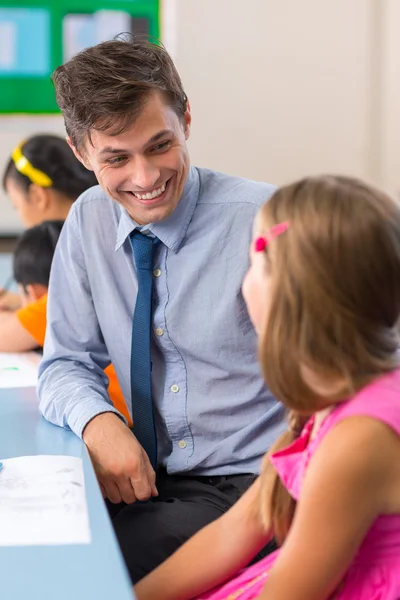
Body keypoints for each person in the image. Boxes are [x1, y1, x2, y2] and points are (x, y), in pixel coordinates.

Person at [37, 36, 284, 582]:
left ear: (187, 119)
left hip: (254, 484)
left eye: (159, 146)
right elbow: (63, 362)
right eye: (117, 159)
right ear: (81, 153)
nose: (146, 178)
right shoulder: (87, 222)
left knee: (84, 572)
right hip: (153, 481)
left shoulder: (265, 219)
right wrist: (100, 422)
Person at [135, 174, 400, 600]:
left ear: (287, 292)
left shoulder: (360, 436)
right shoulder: (327, 407)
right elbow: (232, 532)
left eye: (252, 264)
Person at [1, 219, 130, 423]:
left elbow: (4, 334)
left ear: (33, 291)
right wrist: (19, 301)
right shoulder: (92, 286)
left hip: (122, 422)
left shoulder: (57, 301)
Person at [0, 133, 98, 311]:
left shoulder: (72, 254)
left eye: (17, 206)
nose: (21, 219)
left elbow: (54, 313)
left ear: (38, 196)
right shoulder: (103, 225)